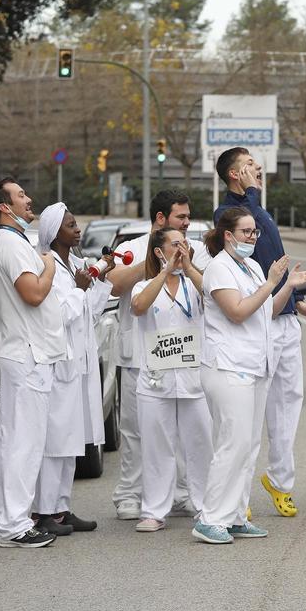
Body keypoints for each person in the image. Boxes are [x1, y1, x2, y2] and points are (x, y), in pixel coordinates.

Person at [193, 208, 306, 544]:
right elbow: (236, 312)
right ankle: (210, 518)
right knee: (231, 444)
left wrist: (287, 286)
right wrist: (273, 282)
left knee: (248, 445)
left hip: (255, 366)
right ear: (227, 235)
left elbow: (267, 310)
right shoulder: (218, 267)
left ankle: (234, 515)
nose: (252, 238)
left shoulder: (251, 266)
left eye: (255, 233)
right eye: (246, 232)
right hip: (228, 367)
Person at [213, 147, 306, 519]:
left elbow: (273, 269)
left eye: (257, 166)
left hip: (285, 318)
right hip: (260, 326)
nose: (258, 170)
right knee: (252, 413)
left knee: (288, 406)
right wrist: (251, 195)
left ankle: (280, 481)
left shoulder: (258, 209)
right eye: (249, 166)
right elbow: (253, 233)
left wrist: (295, 301)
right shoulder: (228, 214)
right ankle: (237, 500)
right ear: (232, 175)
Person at [107, 189, 212, 521]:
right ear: (160, 218)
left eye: (188, 216)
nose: (187, 222)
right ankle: (129, 493)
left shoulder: (192, 250)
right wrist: (157, 263)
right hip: (140, 356)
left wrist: (185, 261)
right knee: (137, 431)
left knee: (185, 432)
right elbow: (114, 285)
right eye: (180, 217)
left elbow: (208, 290)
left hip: (183, 357)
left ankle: (181, 494)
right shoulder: (131, 248)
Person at [0, 177, 68, 548]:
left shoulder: (7, 243)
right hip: (26, 354)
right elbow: (33, 293)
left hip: (19, 351)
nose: (28, 200)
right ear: (4, 206)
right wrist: (48, 265)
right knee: (24, 444)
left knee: (11, 440)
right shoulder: (12, 245)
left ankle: (3, 518)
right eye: (20, 196)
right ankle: (16, 525)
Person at [30, 203, 112, 536]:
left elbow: (88, 314)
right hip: (59, 361)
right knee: (55, 442)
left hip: (80, 361)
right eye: (71, 225)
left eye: (77, 223)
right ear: (54, 233)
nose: (78, 229)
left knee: (72, 441)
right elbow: (59, 315)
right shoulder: (45, 266)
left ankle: (62, 507)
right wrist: (79, 289)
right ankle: (44, 511)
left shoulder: (76, 264)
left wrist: (98, 282)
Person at [129, 228, 212, 533]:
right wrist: (165, 272)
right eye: (174, 244)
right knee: (156, 447)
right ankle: (154, 510)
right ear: (159, 251)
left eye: (184, 243)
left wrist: (189, 267)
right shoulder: (144, 285)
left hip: (193, 378)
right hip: (156, 380)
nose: (181, 248)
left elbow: (214, 296)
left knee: (200, 444)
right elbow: (138, 308)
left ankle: (205, 506)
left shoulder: (194, 284)